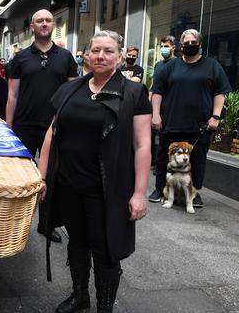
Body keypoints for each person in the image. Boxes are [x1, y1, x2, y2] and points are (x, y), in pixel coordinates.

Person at [38, 30, 151, 313]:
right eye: (96, 50)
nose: (101, 56)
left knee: (106, 250)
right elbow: (52, 133)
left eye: (108, 51)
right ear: (86, 55)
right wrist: (41, 176)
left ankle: (104, 306)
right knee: (76, 242)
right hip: (68, 184)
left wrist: (139, 193)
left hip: (106, 189)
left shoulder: (135, 93)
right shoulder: (70, 89)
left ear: (120, 56)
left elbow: (142, 145)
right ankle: (79, 295)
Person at [6, 9, 78, 244]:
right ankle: (13, 223)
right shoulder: (20, 58)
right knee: (19, 178)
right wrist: (8, 129)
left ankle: (46, 224)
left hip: (55, 126)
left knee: (52, 177)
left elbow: (73, 94)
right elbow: (12, 96)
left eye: (48, 20)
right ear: (32, 27)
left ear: (52, 25)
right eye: (39, 20)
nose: (45, 23)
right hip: (24, 126)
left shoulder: (66, 57)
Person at [149, 29, 232, 207]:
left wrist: (215, 116)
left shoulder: (212, 66)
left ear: (200, 45)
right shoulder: (170, 67)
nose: (189, 46)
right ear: (181, 46)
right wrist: (155, 115)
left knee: (197, 159)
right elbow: (157, 92)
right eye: (186, 43)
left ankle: (193, 192)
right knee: (165, 156)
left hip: (199, 125)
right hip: (170, 121)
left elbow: (220, 93)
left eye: (193, 43)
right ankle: (160, 189)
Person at [148, 35, 176, 168]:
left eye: (167, 46)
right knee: (152, 136)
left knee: (167, 139)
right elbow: (154, 85)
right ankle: (155, 164)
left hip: (170, 107)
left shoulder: (177, 63)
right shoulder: (158, 65)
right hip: (156, 106)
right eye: (162, 46)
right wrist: (149, 101)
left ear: (173, 48)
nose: (164, 49)